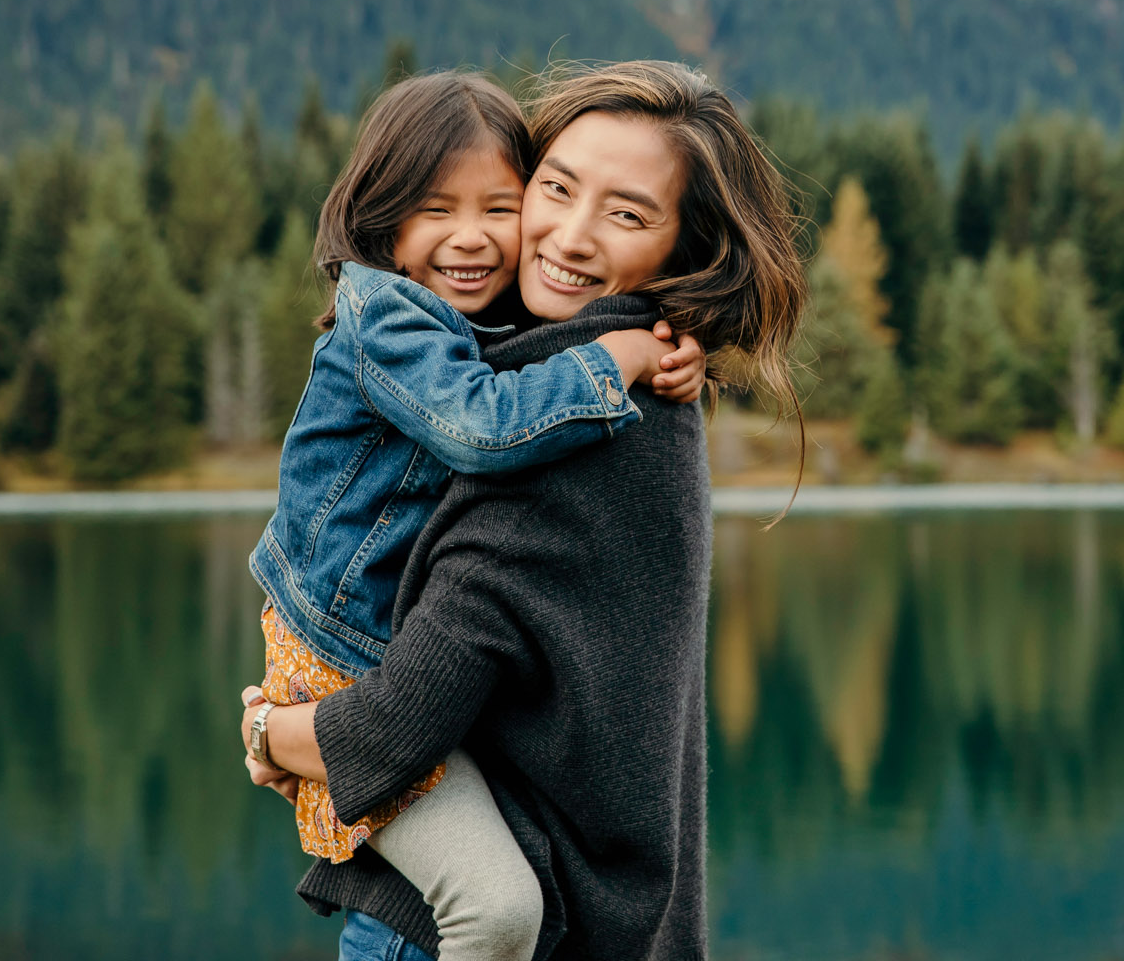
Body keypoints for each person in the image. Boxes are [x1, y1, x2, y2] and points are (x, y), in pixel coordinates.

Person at [241, 60, 807, 960]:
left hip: (450, 915)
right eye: (556, 189)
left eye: (626, 214)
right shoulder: (566, 378)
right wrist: (632, 351)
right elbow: (485, 422)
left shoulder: (583, 411)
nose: (569, 237)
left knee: (493, 906)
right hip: (340, 659)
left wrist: (278, 737)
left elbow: (400, 719)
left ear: (683, 250)